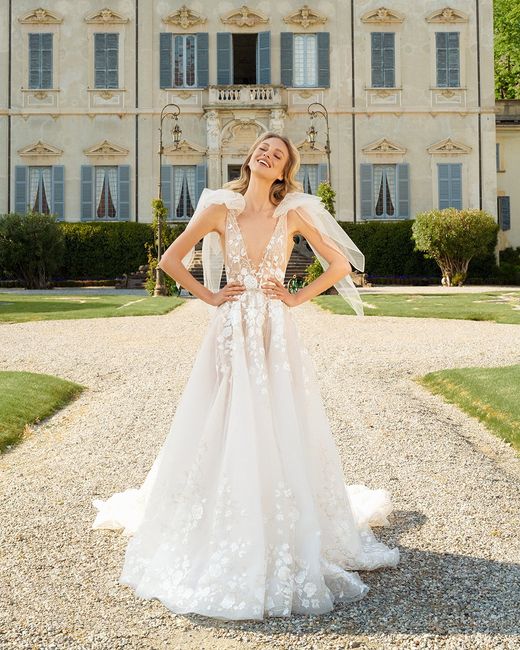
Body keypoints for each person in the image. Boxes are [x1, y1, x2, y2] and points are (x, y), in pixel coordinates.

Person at [92, 131, 400, 621]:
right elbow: (172, 260)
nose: (267, 155)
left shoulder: (294, 212)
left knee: (277, 413)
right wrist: (209, 295)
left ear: (284, 172)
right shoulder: (219, 206)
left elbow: (339, 263)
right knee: (225, 413)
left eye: (277, 154)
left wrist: (297, 297)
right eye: (262, 148)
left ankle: (278, 512)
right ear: (249, 158)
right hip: (231, 325)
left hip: (276, 327)